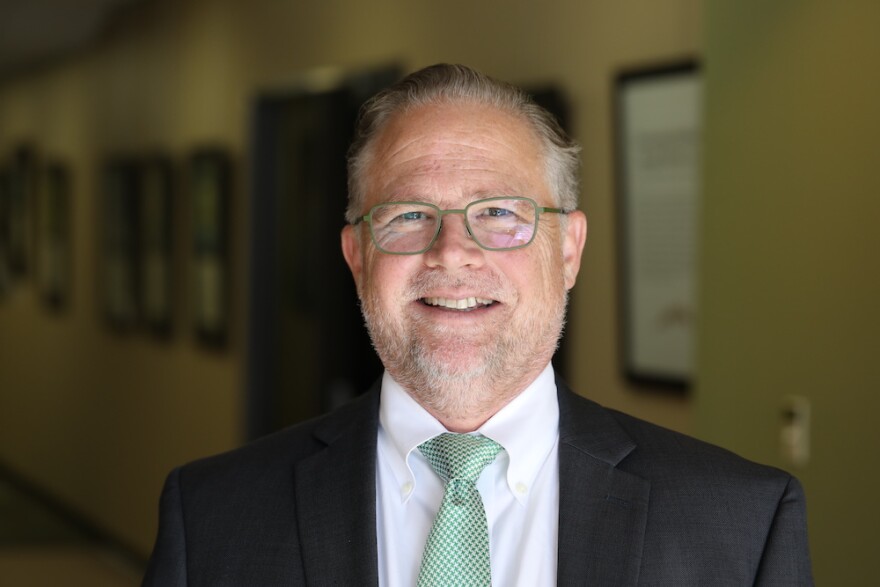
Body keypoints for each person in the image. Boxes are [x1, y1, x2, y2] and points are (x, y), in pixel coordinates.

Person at [143, 63, 812, 586]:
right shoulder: (213, 517)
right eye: (407, 214)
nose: (452, 252)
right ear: (357, 256)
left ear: (569, 250)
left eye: (498, 213)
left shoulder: (740, 526)